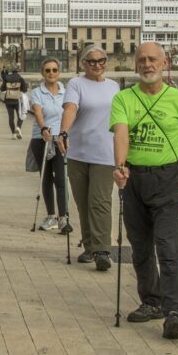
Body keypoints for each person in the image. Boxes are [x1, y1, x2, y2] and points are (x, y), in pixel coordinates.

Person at [111, 42, 178, 340]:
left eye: (153, 60)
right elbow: (121, 132)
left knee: (168, 248)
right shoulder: (123, 98)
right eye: (142, 60)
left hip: (167, 179)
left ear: (164, 63)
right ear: (136, 65)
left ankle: (173, 312)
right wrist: (120, 166)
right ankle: (151, 301)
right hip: (134, 178)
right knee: (140, 247)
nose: (147, 65)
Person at [61, 45, 119, 271]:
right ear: (83, 63)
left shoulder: (114, 87)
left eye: (101, 60)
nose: (97, 65)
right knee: (83, 202)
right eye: (91, 61)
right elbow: (70, 109)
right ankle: (89, 247)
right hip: (78, 153)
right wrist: (63, 132)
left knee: (100, 201)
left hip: (105, 153)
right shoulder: (76, 84)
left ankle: (103, 249)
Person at [30, 58, 68, 232]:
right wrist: (44, 127)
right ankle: (51, 216)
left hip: (60, 139)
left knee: (61, 178)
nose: (51, 73)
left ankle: (63, 217)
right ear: (42, 73)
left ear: (59, 72)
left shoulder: (66, 92)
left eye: (54, 70)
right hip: (41, 138)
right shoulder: (37, 92)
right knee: (46, 178)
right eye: (47, 70)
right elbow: (38, 112)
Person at [0, 67, 28, 139]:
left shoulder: (7, 78)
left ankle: (13, 134)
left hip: (8, 100)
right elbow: (24, 89)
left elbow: (1, 89)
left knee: (11, 117)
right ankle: (18, 127)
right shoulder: (20, 78)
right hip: (17, 100)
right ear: (18, 71)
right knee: (20, 115)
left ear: (12, 71)